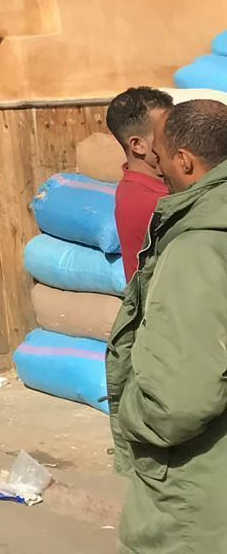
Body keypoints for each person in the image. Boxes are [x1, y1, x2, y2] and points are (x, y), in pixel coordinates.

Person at [108, 99, 227, 554]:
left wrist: (130, 413)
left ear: (185, 161)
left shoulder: (196, 250)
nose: (155, 166)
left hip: (197, 503)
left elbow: (180, 401)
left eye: (160, 155)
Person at [108, 86, 174, 281]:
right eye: (167, 133)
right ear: (138, 145)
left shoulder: (156, 187)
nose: (179, 138)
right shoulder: (149, 202)